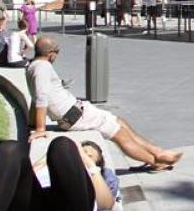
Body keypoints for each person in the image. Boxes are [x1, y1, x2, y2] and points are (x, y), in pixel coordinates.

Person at [27, 36, 184, 171]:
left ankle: (157, 152)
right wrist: (40, 128)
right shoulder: (43, 68)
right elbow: (41, 98)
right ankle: (156, 162)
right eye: (57, 52)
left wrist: (32, 121)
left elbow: (35, 98)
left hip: (77, 112)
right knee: (119, 134)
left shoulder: (34, 66)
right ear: (50, 54)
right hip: (74, 116)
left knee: (120, 122)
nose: (57, 56)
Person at [0, 136, 116, 211]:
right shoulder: (52, 160)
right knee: (10, 149)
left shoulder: (92, 176)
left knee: (62, 144)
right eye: (81, 151)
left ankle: (67, 149)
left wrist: (89, 164)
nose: (84, 154)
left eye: (90, 155)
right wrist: (47, 159)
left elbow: (107, 204)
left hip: (69, 205)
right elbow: (21, 179)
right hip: (36, 203)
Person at [81, 140, 121, 210]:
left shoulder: (108, 178)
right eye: (84, 152)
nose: (86, 157)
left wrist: (92, 168)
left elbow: (104, 206)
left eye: (90, 157)